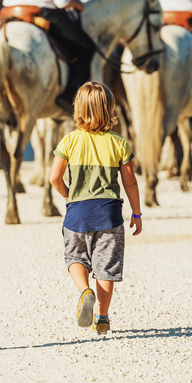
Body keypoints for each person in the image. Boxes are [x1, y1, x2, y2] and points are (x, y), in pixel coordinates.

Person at [49, 82, 142, 335]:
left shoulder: (69, 140)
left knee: (75, 257)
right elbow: (130, 182)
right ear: (110, 109)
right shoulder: (119, 143)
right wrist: (136, 213)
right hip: (109, 215)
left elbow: (54, 177)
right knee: (106, 266)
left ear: (77, 109)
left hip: (77, 214)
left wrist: (69, 196)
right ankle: (102, 316)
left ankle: (84, 292)